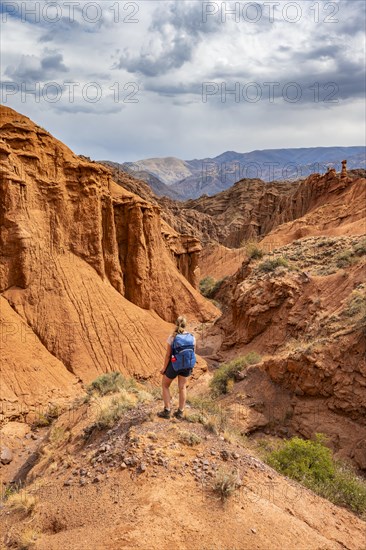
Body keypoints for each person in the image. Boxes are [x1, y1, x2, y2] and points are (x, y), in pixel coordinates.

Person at [157, 316, 196, 419]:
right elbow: (193, 353)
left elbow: (168, 355)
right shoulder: (192, 337)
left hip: (175, 365)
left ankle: (167, 411)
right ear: (185, 324)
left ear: (176, 324)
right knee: (182, 387)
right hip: (187, 365)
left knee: (165, 385)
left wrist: (164, 368)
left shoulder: (172, 337)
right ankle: (180, 412)